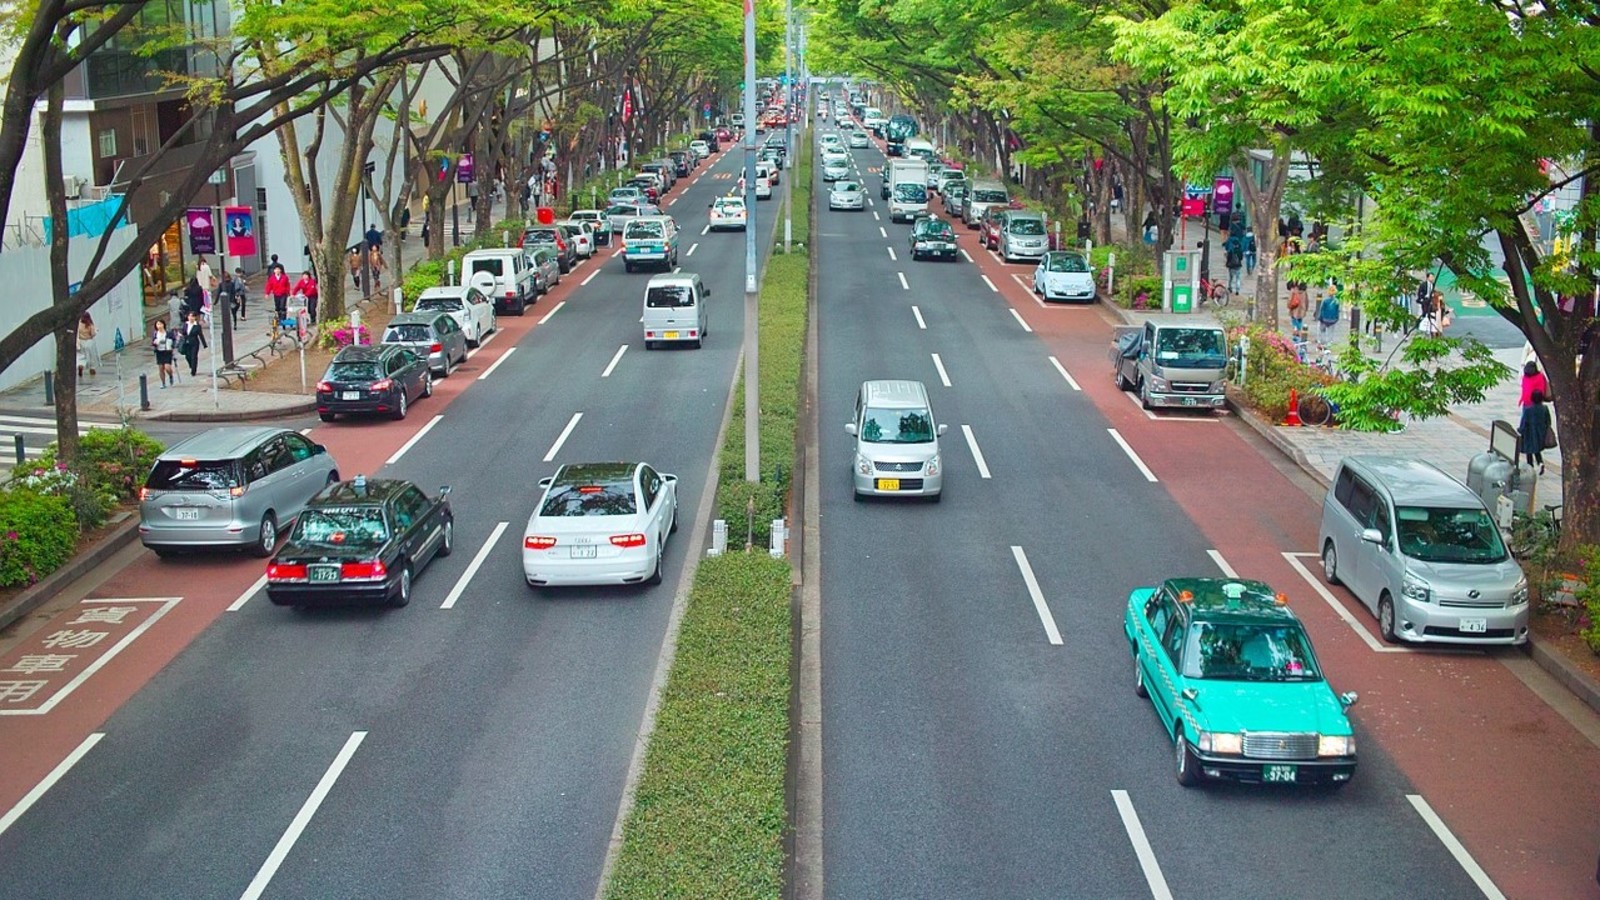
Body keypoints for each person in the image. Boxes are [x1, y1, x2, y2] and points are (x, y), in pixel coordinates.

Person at [1518, 389, 1553, 475]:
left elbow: (1524, 422)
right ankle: (1540, 463)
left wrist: (1520, 430)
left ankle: (1530, 467)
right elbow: (1548, 421)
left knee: (1529, 450)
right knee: (1537, 449)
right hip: (1540, 432)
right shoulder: (1544, 408)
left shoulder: (1528, 410)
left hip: (1529, 432)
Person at [180, 310, 207, 377]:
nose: (190, 317)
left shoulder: (197, 326)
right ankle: (191, 365)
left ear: (195, 317)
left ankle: (193, 370)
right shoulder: (185, 324)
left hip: (194, 343)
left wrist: (204, 344)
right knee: (187, 356)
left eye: (192, 316)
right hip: (186, 343)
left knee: (194, 356)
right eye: (189, 316)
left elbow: (201, 335)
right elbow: (183, 332)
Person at [151, 319, 176, 387]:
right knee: (161, 368)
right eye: (158, 324)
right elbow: (153, 342)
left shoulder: (168, 333)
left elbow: (174, 340)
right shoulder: (155, 333)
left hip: (167, 351)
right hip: (159, 352)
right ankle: (163, 383)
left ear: (163, 325)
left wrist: (172, 346)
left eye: (160, 324)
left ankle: (170, 375)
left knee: (167, 367)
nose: (159, 326)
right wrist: (155, 343)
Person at [76, 312, 99, 378]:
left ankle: (81, 366)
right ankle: (92, 368)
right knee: (91, 356)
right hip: (89, 342)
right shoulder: (90, 325)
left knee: (82, 357)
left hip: (81, 342)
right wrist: (96, 331)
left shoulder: (79, 325)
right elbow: (93, 334)